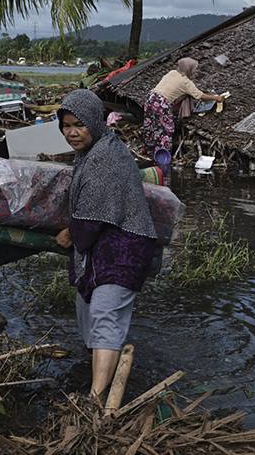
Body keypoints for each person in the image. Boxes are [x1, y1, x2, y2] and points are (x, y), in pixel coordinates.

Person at [55, 89, 159, 399]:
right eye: (66, 125)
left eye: (80, 124)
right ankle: (97, 365)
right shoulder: (93, 151)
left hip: (125, 244)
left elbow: (88, 219)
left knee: (104, 312)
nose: (72, 132)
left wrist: (69, 235)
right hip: (104, 241)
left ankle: (97, 398)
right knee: (87, 309)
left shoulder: (105, 157)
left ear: (96, 122)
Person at [142, 57, 224, 157]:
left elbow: (173, 87)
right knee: (166, 130)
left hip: (150, 97)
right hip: (161, 103)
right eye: (193, 69)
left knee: (151, 125)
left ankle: (148, 151)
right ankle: (162, 157)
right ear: (189, 69)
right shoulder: (186, 82)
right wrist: (216, 98)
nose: (194, 71)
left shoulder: (172, 72)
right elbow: (200, 96)